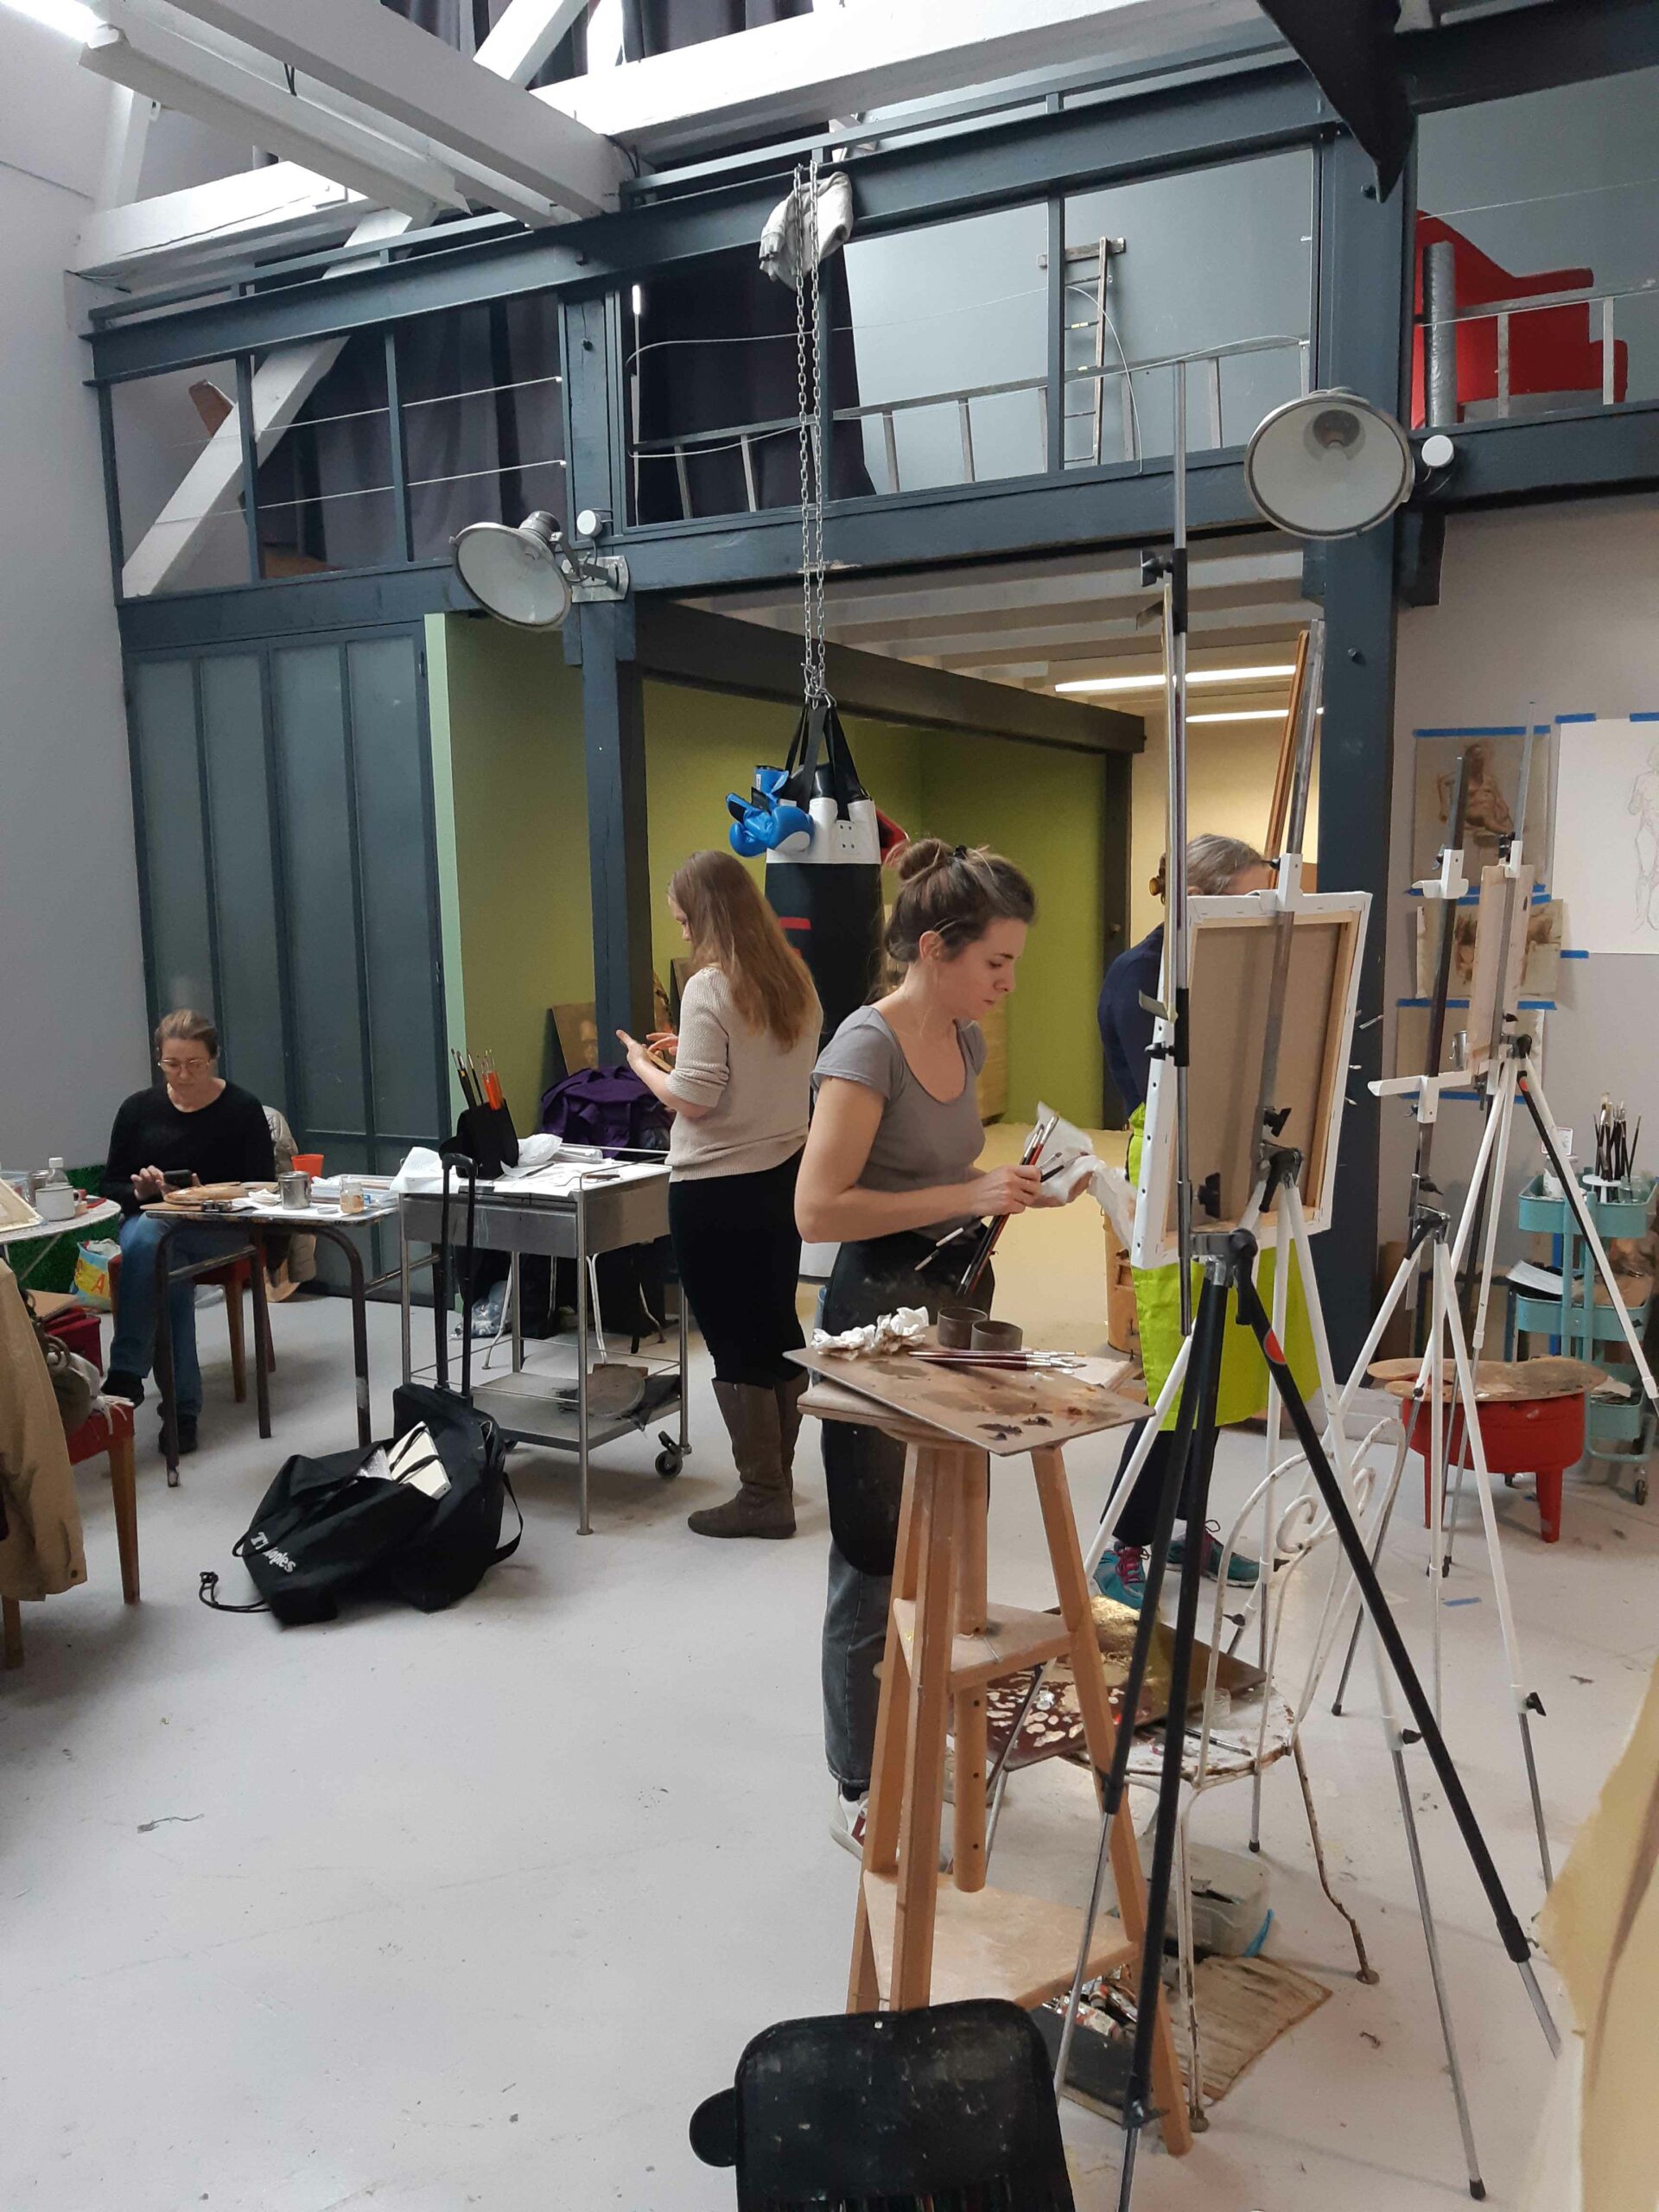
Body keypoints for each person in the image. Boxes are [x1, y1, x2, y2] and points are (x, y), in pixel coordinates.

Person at [794, 840, 1049, 1854]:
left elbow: (947, 1181)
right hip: (875, 1315)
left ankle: (934, 1727)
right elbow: (818, 1209)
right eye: (996, 962)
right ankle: (859, 1778)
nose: (1007, 982)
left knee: (950, 1539)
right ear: (936, 949)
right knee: (873, 1554)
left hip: (955, 1301)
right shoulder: (868, 1047)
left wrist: (1010, 1192)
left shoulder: (967, 1039)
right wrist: (966, 1192)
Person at [1095, 833, 1315, 1609]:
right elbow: (1166, 1096)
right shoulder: (1142, 974)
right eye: (1247, 895)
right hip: (1171, 1177)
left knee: (1220, 1376)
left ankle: (1184, 1526)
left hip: (1230, 1167)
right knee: (1179, 1375)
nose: (1259, 909)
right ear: (1201, 895)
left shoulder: (1231, 964)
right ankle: (1126, 1542)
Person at [619, 850, 822, 1539]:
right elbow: (764, 1062)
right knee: (776, 1326)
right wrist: (693, 1048)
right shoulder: (793, 977)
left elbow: (696, 1100)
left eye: (683, 920)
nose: (681, 933)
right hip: (783, 1178)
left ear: (704, 915)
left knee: (732, 1340)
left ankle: (762, 1497)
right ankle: (778, 1480)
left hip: (716, 1189)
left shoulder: (709, 986)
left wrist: (644, 1066)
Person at [102, 1010, 276, 1455]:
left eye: (194, 1064)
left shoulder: (242, 1108)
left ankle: (127, 1371)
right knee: (163, 1254)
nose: (182, 1075)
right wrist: (140, 1191)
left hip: (222, 1227)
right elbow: (110, 1186)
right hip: (156, 1224)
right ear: (158, 1059)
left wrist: (207, 1195)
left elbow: (265, 1188)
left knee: (151, 1241)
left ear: (213, 1058)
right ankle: (182, 1415)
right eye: (172, 1064)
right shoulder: (137, 1109)